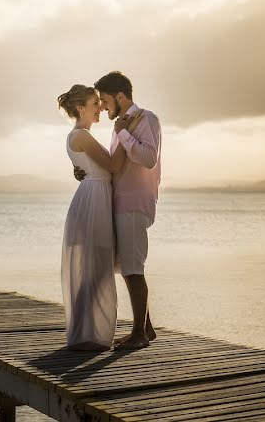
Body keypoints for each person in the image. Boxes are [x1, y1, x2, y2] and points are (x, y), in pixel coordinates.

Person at [75, 71, 162, 350]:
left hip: (134, 203)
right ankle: (146, 328)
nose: (102, 106)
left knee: (134, 269)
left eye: (105, 99)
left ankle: (139, 334)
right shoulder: (121, 125)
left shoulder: (146, 119)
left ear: (120, 97)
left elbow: (148, 159)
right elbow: (116, 166)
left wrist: (123, 132)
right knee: (126, 267)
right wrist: (85, 171)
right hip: (118, 203)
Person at [57, 85, 144, 351]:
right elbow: (114, 165)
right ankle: (86, 334)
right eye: (95, 103)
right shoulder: (81, 136)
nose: (100, 107)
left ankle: (87, 332)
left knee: (97, 269)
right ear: (81, 108)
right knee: (94, 270)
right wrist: (123, 131)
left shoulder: (81, 136)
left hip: (97, 197)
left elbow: (103, 166)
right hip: (93, 200)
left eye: (99, 102)